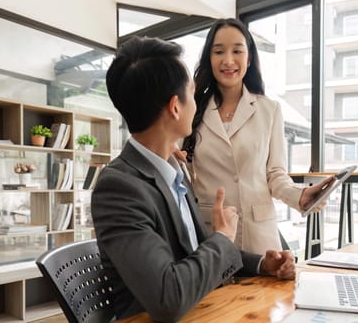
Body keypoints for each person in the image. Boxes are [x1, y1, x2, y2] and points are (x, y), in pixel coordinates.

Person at [91, 35, 296, 322]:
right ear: (176, 107)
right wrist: (224, 237)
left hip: (205, 309)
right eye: (191, 92)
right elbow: (168, 298)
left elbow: (198, 252)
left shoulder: (175, 171)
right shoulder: (119, 188)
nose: (197, 104)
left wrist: (262, 264)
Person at [181, 18, 334, 254]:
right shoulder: (192, 110)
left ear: (249, 58)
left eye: (237, 51)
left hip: (259, 236)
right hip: (211, 234)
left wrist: (300, 196)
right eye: (219, 51)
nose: (228, 60)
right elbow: (182, 171)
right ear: (209, 59)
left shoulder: (269, 110)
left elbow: (275, 174)